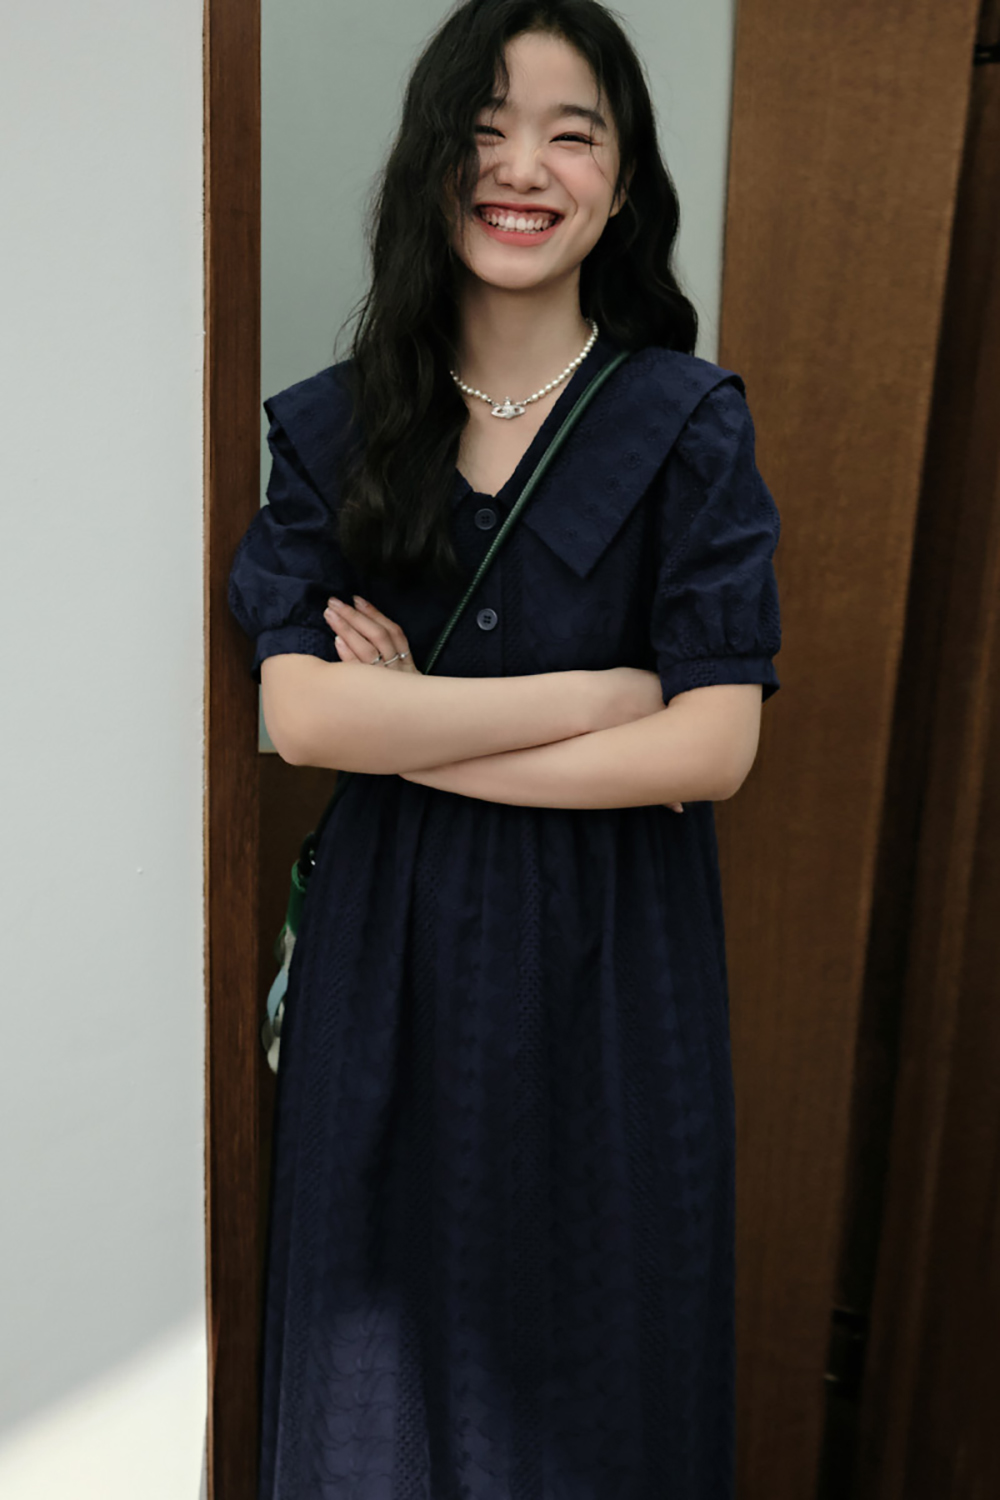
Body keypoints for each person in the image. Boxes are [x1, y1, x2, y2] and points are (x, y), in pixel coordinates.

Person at [228, 1, 782, 1495]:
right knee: (372, 1390)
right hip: (388, 972)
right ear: (430, 165)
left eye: (568, 134)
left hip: (616, 972)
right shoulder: (343, 430)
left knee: (608, 1380)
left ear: (621, 178)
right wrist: (601, 697)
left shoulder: (684, 425)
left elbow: (713, 747)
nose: (522, 167)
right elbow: (304, 716)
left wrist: (416, 731)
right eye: (483, 131)